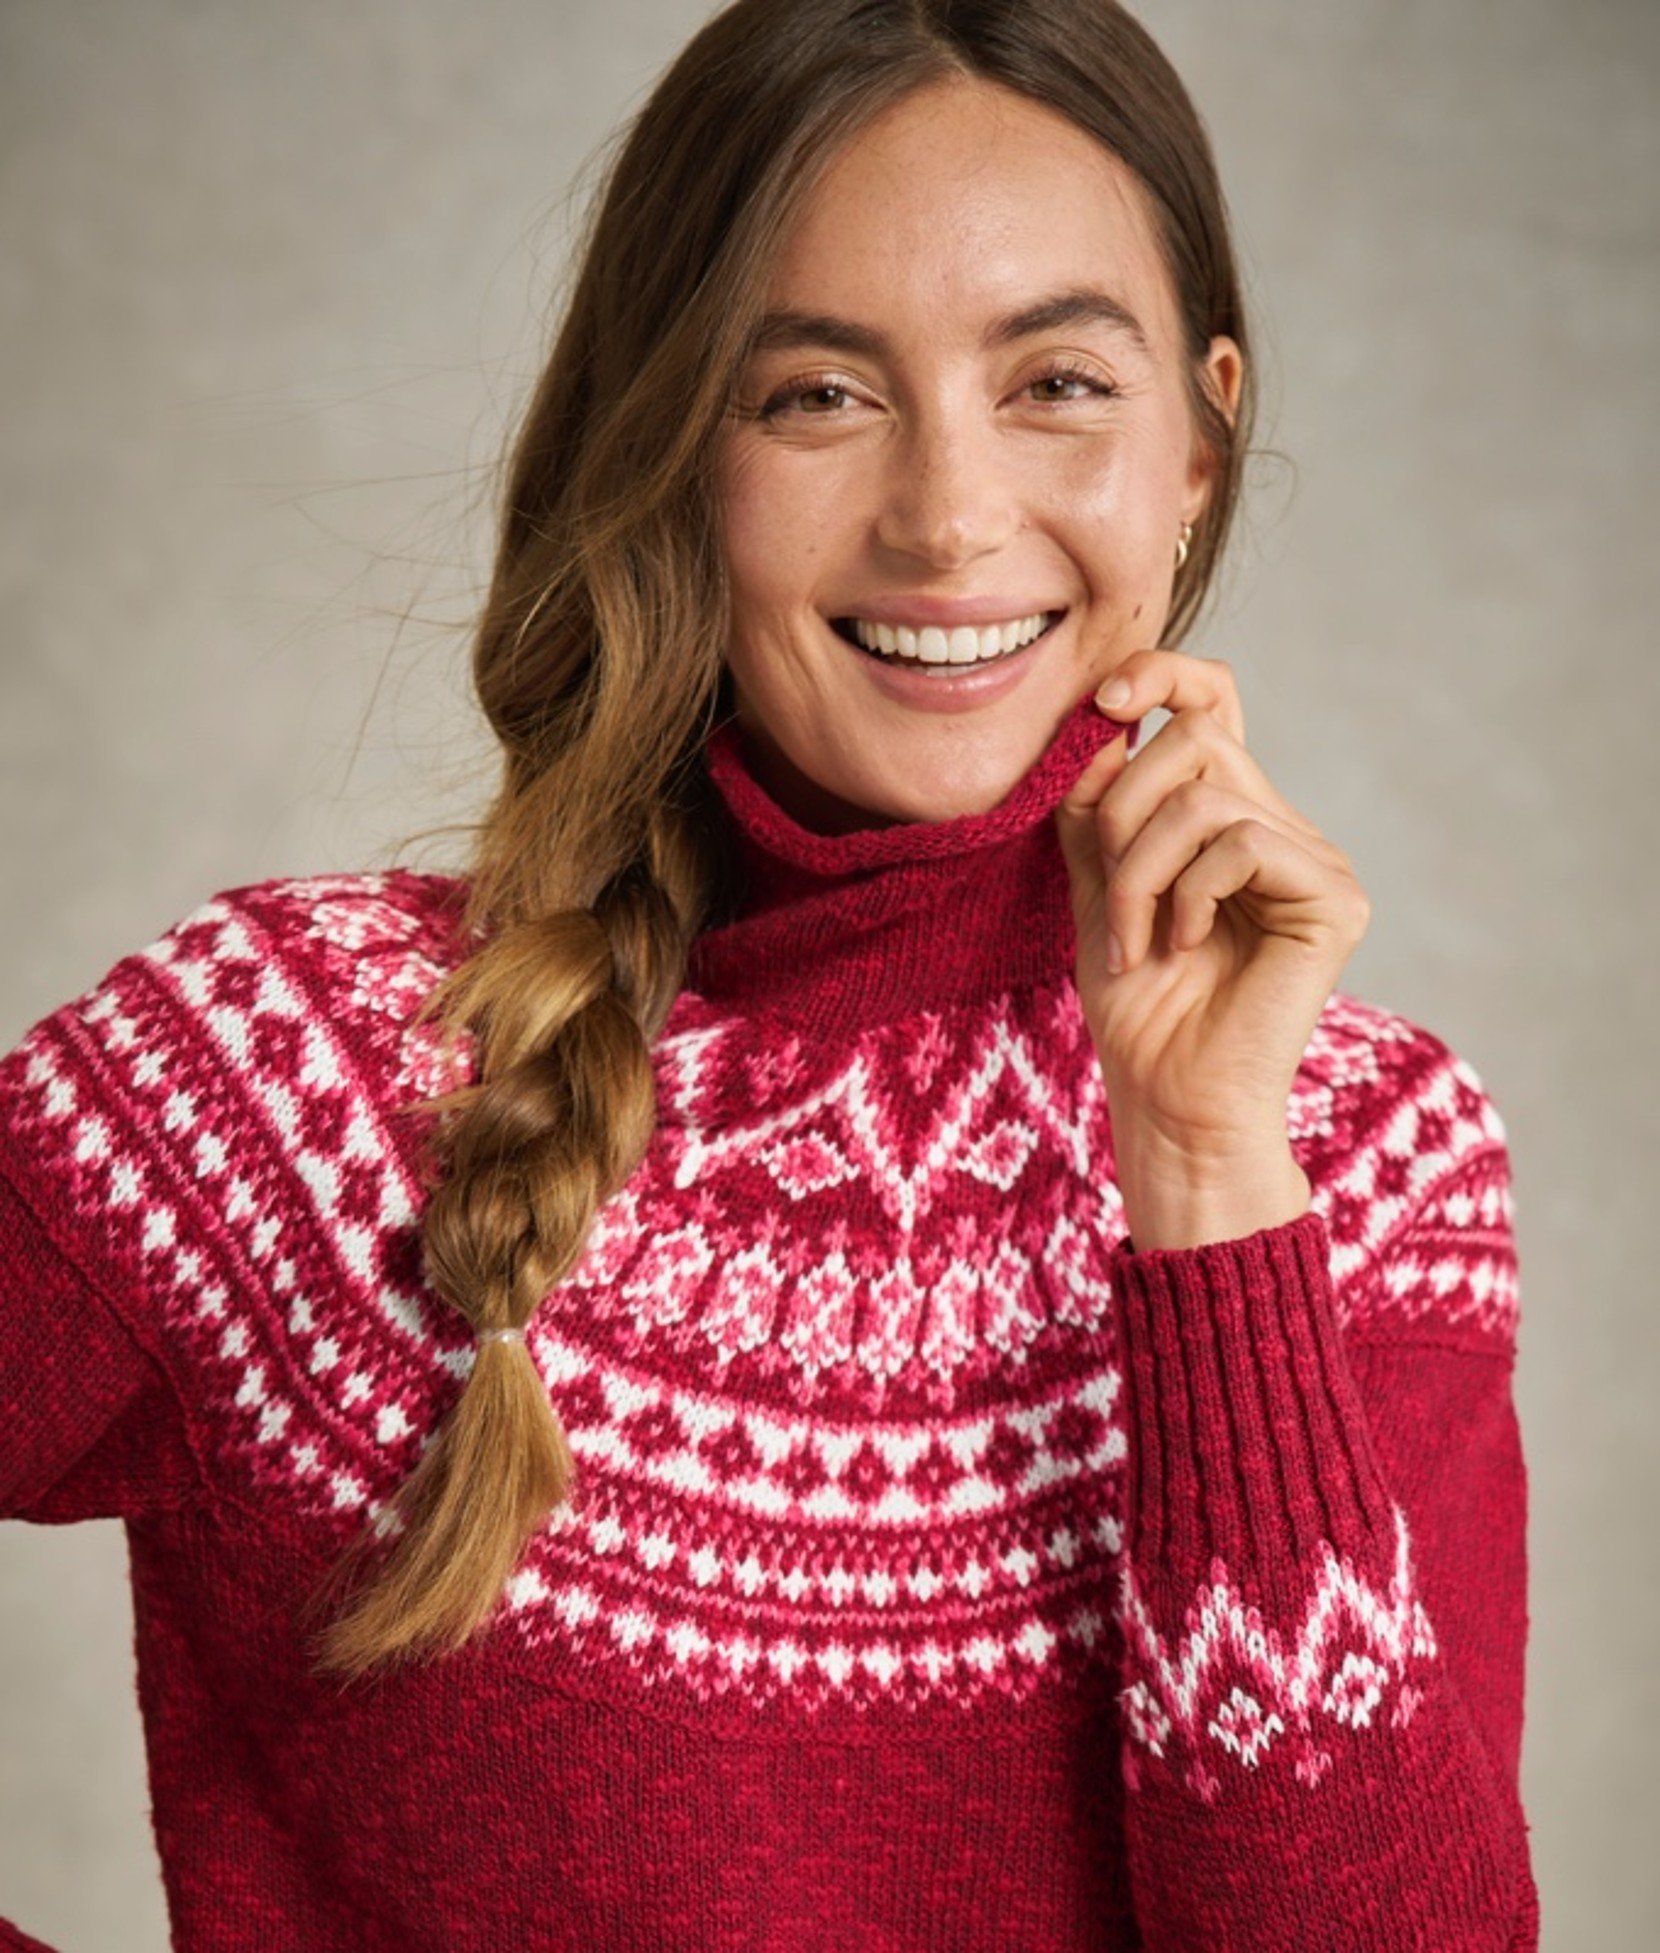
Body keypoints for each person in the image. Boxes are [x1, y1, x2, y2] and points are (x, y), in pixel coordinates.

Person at [0, 1, 1539, 1947]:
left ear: (1196, 445)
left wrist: (1204, 1175)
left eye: (1054, 380)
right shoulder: (288, 1077)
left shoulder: (1361, 1150)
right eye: (814, 394)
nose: (946, 514)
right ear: (668, 442)